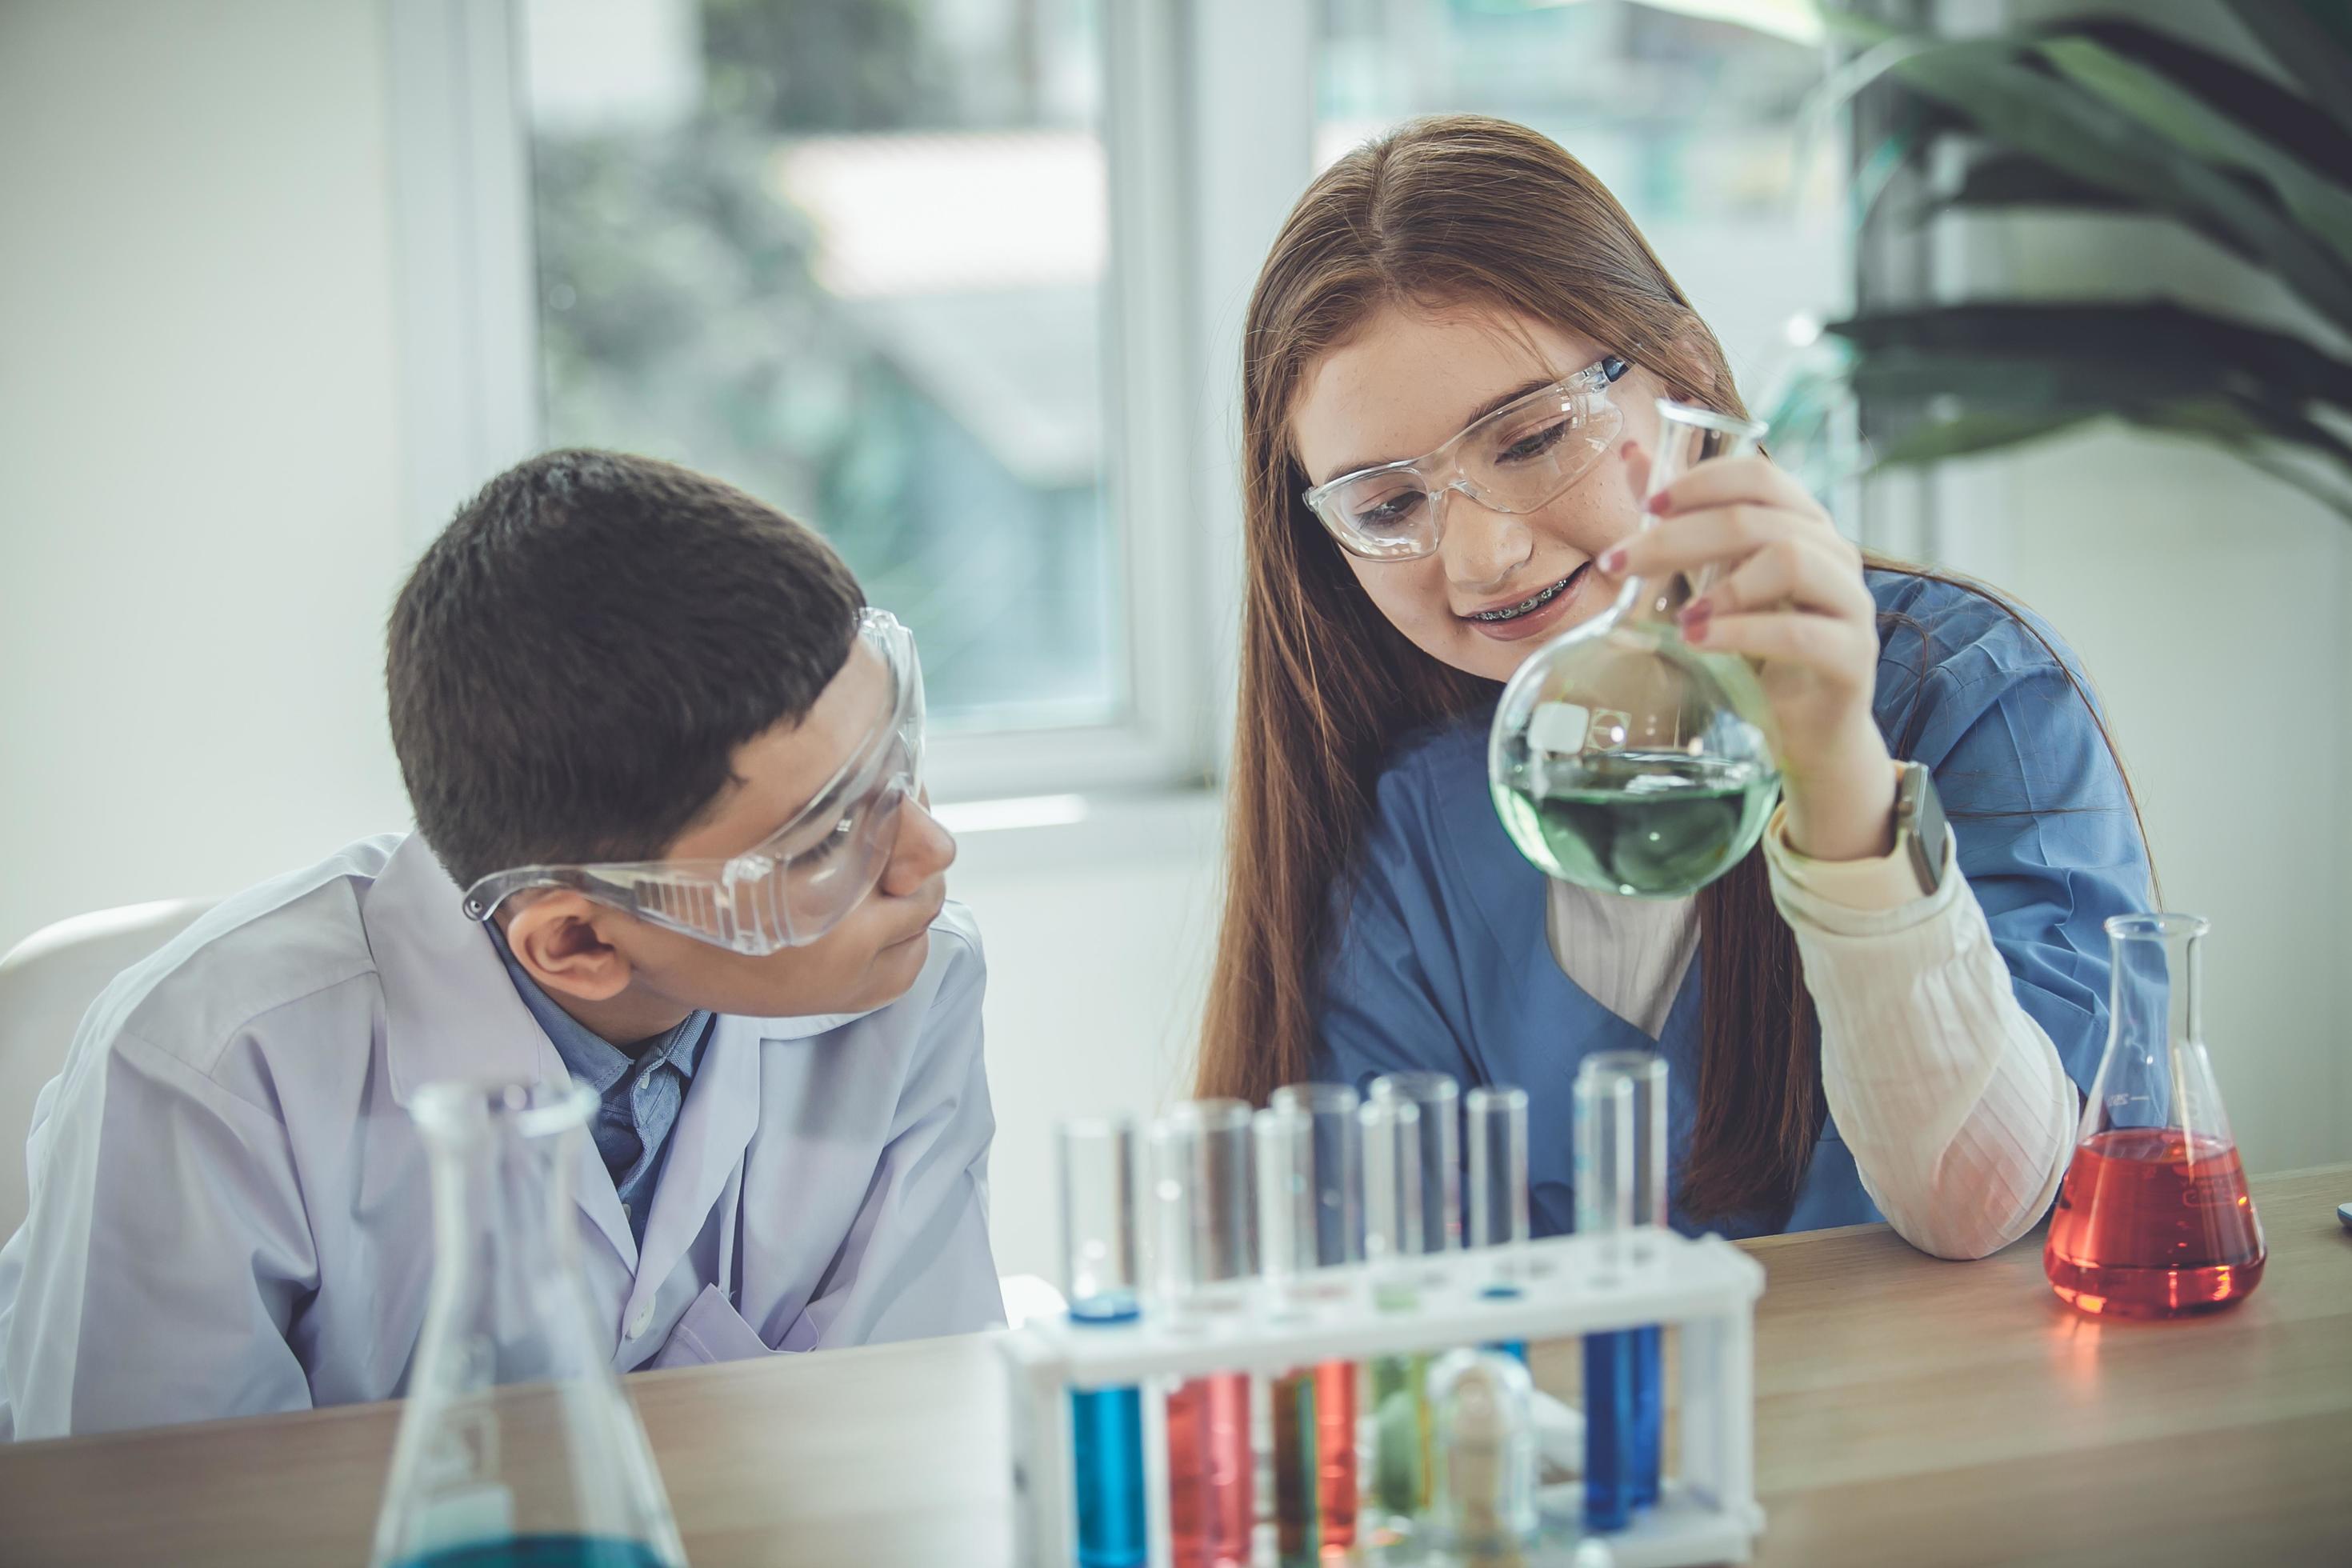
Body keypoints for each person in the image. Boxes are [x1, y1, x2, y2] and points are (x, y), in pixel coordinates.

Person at [1198, 116, 2151, 1258]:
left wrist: (1835, 767)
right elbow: (1358, 1274)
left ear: (1683, 377)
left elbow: (1992, 1208)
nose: (1485, 556)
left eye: (1535, 437)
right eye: (1390, 506)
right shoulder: (1418, 812)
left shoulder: (1973, 694)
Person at [0, 450, 1002, 1440]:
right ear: (574, 941)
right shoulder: (207, 1073)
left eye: (898, 758)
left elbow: (910, 1441)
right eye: (827, 835)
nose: (928, 849)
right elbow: (137, 1527)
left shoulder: (915, 982)